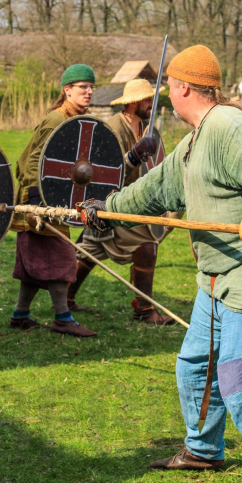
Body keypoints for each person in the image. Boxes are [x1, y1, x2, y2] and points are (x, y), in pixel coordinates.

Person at [80, 45, 242, 483]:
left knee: (238, 373)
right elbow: (154, 188)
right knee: (195, 365)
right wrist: (105, 207)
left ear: (184, 87)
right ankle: (203, 449)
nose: (166, 93)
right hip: (215, 278)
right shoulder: (195, 138)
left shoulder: (227, 123)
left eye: (169, 85)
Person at [67, 78, 173, 325]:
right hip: (108, 206)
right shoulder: (114, 128)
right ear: (134, 103)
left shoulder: (147, 129)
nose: (152, 104)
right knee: (146, 246)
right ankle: (144, 311)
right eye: (148, 100)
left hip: (129, 206)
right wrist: (133, 156)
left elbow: (156, 169)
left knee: (86, 251)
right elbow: (102, 174)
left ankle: (65, 300)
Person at [11, 64, 98, 338]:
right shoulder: (56, 120)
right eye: (83, 87)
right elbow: (35, 161)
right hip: (41, 201)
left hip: (54, 199)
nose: (89, 91)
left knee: (33, 264)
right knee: (62, 258)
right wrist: (41, 203)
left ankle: (20, 315)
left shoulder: (73, 119)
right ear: (67, 90)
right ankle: (62, 317)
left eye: (91, 87)